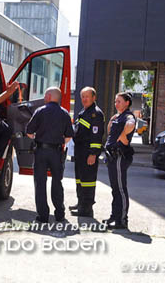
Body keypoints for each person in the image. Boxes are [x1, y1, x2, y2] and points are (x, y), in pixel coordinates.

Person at [26, 87, 74, 223]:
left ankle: (43, 216)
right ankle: (60, 214)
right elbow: (69, 136)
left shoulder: (40, 111)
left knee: (40, 183)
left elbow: (29, 131)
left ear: (48, 96)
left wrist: (37, 138)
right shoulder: (65, 113)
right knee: (57, 182)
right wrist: (58, 142)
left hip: (41, 151)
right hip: (57, 152)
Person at [103, 92, 136, 230]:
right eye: (115, 101)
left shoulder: (128, 116)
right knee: (115, 189)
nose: (116, 104)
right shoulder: (118, 116)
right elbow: (110, 131)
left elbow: (131, 124)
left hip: (119, 156)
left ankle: (122, 220)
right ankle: (115, 216)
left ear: (127, 103)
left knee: (120, 189)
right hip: (111, 156)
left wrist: (123, 135)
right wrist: (112, 120)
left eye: (119, 101)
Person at [70, 87, 105, 218]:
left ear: (93, 97)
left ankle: (87, 209)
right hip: (80, 152)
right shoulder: (83, 111)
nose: (84, 99)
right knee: (80, 180)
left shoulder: (96, 113)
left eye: (87, 96)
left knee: (88, 181)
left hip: (88, 153)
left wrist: (93, 153)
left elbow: (96, 136)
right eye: (82, 96)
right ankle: (81, 204)